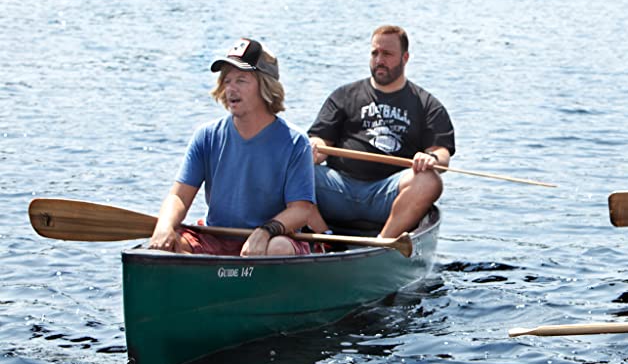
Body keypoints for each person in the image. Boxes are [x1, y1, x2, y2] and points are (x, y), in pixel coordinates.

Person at [149, 38, 316, 256]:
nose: (230, 89)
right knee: (169, 247)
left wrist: (265, 231)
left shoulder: (295, 142)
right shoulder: (206, 136)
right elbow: (179, 196)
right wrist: (164, 226)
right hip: (216, 236)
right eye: (226, 81)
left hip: (271, 238)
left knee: (279, 248)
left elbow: (301, 210)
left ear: (265, 86)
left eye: (241, 80)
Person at [307, 25, 455, 239]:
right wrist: (314, 148)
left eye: (387, 54)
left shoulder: (427, 105)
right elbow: (321, 142)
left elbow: (442, 155)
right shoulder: (344, 95)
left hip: (387, 194)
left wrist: (430, 158)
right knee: (293, 167)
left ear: (405, 58)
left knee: (430, 181)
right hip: (339, 188)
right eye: (375, 53)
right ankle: (324, 237)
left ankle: (382, 244)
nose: (379, 60)